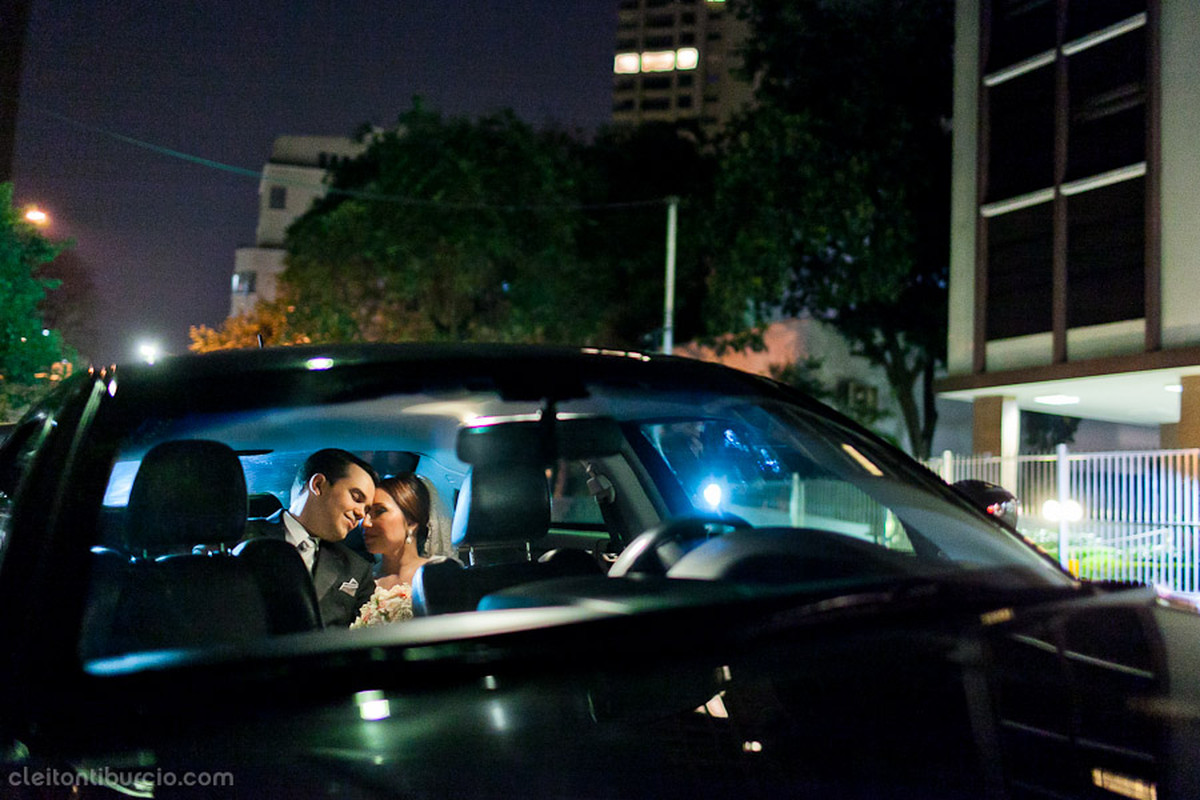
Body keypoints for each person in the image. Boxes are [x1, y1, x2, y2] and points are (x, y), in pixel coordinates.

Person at [243, 448, 378, 628]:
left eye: (367, 509)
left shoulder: (357, 569)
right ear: (318, 485)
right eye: (356, 497)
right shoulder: (240, 538)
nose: (361, 514)